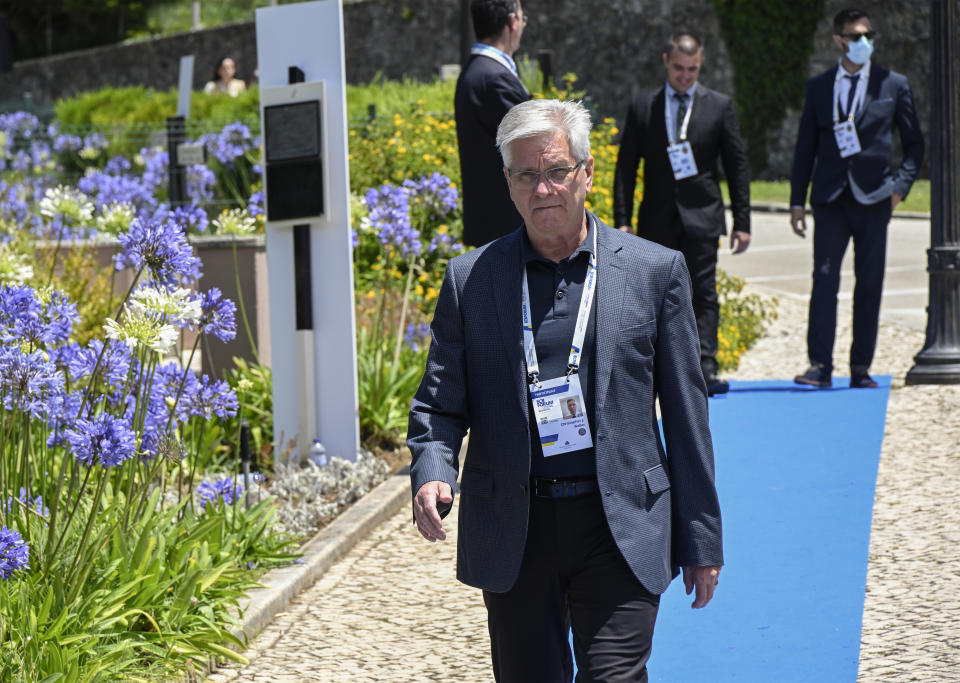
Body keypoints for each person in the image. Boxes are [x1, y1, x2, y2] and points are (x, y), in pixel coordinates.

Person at [408, 99, 723, 682]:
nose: (544, 189)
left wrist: (701, 539)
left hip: (621, 521)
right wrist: (432, 468)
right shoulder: (470, 281)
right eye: (527, 175)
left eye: (556, 171)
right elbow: (439, 405)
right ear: (507, 183)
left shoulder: (654, 272)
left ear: (587, 172)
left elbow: (686, 416)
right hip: (515, 526)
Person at [790, 9, 924, 389]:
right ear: (838, 40)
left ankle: (861, 367)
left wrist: (900, 187)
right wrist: (797, 201)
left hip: (875, 198)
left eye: (868, 35)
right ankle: (820, 365)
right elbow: (805, 149)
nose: (863, 42)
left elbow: (914, 144)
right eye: (854, 36)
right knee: (824, 279)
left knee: (870, 282)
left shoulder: (892, 84)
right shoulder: (819, 87)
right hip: (831, 197)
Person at [613, 32, 750, 397]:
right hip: (657, 218)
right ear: (666, 62)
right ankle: (657, 370)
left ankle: (706, 367)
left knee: (703, 293)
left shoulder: (718, 105)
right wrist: (622, 219)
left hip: (702, 215)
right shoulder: (644, 106)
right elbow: (626, 167)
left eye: (692, 70)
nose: (685, 76)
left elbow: (736, 166)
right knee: (653, 296)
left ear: (700, 66)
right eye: (679, 68)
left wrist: (743, 221)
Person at [455, 0, 530, 247]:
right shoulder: (494, 79)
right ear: (512, 22)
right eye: (522, 18)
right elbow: (533, 145)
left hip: (491, 223)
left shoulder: (475, 71)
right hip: (507, 227)